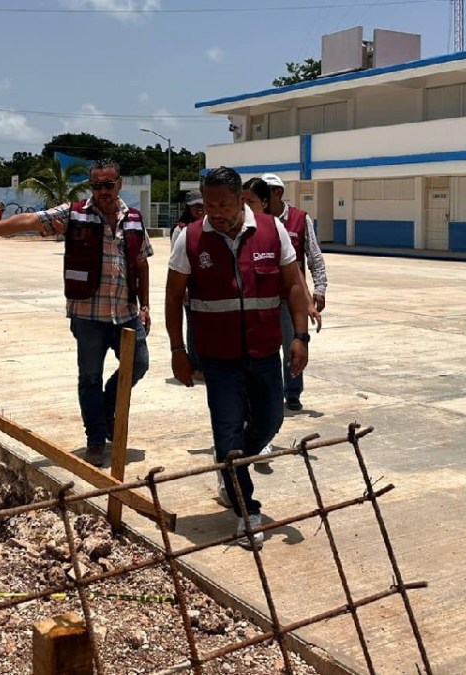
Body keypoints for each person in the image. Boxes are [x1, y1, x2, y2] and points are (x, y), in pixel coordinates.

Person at [0, 160, 151, 466]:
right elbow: (29, 220)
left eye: (108, 185)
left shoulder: (134, 219)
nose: (102, 192)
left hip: (126, 312)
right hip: (88, 316)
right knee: (89, 378)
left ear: (119, 184)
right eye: (96, 186)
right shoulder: (74, 213)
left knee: (138, 364)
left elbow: (141, 263)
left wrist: (145, 305)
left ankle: (107, 406)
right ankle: (95, 439)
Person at [165, 166, 310, 548]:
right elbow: (172, 296)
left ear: (241, 199)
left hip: (264, 350)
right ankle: (247, 511)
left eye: (225, 203)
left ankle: (229, 468)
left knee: (271, 420)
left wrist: (300, 337)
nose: (216, 211)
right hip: (218, 357)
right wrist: (178, 350)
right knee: (227, 431)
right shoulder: (190, 237)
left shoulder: (270, 229)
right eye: (209, 203)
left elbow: (293, 284)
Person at [259, 173, 329, 412]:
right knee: (264, 349)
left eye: (264, 192)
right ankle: (269, 394)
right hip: (262, 296)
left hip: (291, 298)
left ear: (277, 193)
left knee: (294, 345)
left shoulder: (300, 219)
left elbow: (314, 256)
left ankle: (292, 393)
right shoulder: (256, 220)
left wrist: (319, 288)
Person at [170, 191, 205, 381]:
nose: (199, 209)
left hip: (205, 284)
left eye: (201, 205)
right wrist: (182, 289)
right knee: (193, 326)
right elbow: (176, 263)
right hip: (189, 286)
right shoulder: (181, 230)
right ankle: (197, 366)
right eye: (195, 206)